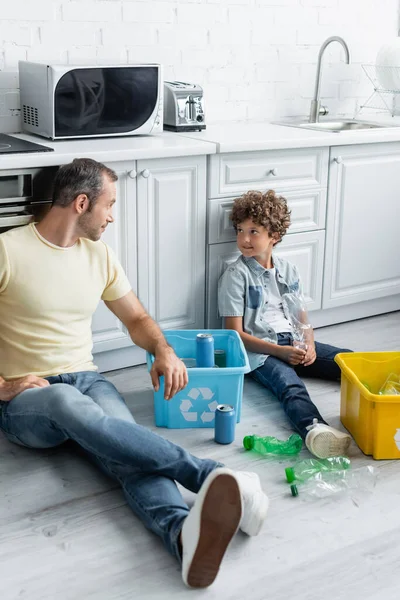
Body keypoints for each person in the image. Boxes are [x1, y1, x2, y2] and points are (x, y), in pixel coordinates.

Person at [0, 158, 269, 589]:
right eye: (109, 205)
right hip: (27, 399)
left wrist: (162, 349)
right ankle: (213, 474)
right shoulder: (8, 250)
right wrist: (4, 385)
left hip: (88, 379)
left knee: (129, 447)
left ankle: (183, 536)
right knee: (62, 399)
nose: (112, 215)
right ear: (81, 203)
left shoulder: (100, 255)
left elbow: (138, 319)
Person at [218, 189, 352, 459]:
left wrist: (309, 344)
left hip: (293, 342)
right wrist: (280, 352)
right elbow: (233, 333)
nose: (244, 239)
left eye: (254, 231)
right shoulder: (235, 275)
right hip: (260, 352)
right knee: (290, 387)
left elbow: (302, 318)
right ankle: (316, 431)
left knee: (346, 362)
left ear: (274, 236)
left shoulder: (288, 270)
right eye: (240, 230)